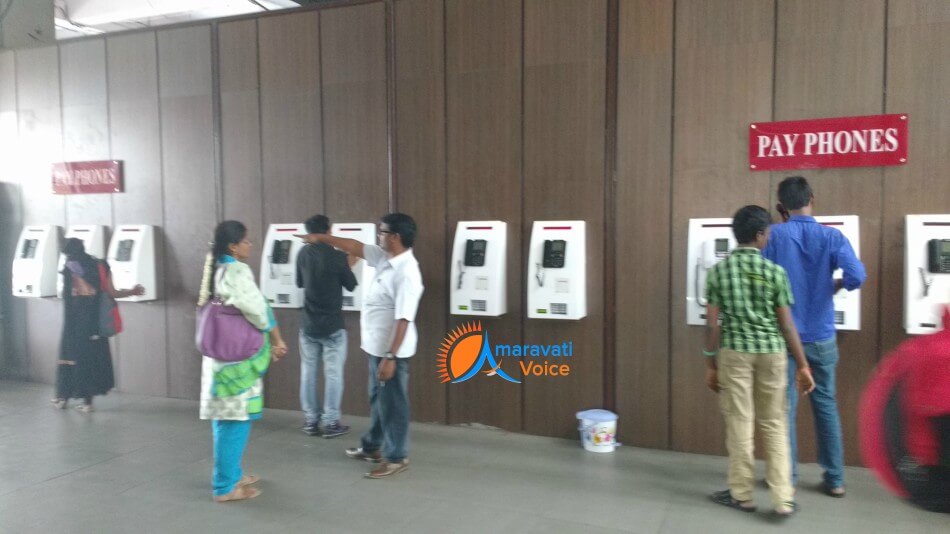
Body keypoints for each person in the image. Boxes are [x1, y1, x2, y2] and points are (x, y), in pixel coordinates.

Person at [703, 205, 815, 517]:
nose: (768, 237)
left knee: (740, 423)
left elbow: (712, 324)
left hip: (734, 354)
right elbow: (787, 324)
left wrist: (710, 363)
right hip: (772, 354)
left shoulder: (718, 272)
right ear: (759, 235)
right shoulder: (775, 273)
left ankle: (742, 495)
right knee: (775, 423)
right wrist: (803, 364)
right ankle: (783, 499)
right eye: (767, 232)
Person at [763, 176, 866, 497]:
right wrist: (834, 285)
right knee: (825, 405)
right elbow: (857, 275)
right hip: (821, 338)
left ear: (781, 207)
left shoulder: (775, 235)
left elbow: (763, 280)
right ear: (812, 198)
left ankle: (787, 479)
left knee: (785, 410)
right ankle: (835, 479)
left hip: (785, 339)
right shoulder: (832, 236)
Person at [301, 213, 424, 479]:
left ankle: (397, 456)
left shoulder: (407, 273)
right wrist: (321, 237)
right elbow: (353, 246)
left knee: (394, 404)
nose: (378, 236)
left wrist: (390, 356)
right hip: (376, 348)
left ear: (396, 237)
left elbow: (404, 318)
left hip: (392, 352)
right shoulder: (384, 258)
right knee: (378, 400)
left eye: (382, 232)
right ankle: (372, 446)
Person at [197, 221, 288, 502]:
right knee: (235, 421)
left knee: (225, 420)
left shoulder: (214, 268)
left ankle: (231, 473)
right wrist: (276, 339)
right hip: (236, 362)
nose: (250, 245)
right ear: (233, 247)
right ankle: (225, 487)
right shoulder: (236, 270)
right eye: (246, 241)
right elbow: (259, 310)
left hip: (220, 357)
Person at [52, 238, 144, 412]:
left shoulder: (68, 266)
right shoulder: (100, 265)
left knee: (68, 357)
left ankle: (62, 397)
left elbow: (67, 295)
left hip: (72, 322)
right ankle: (87, 402)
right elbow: (112, 292)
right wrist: (133, 291)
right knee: (91, 359)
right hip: (94, 324)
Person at [295, 214, 358, 438]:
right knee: (333, 375)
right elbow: (351, 286)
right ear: (328, 231)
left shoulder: (302, 254)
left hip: (308, 325)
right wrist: (350, 263)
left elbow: (300, 283)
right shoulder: (337, 257)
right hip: (332, 326)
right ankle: (331, 423)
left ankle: (311, 421)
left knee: (308, 373)